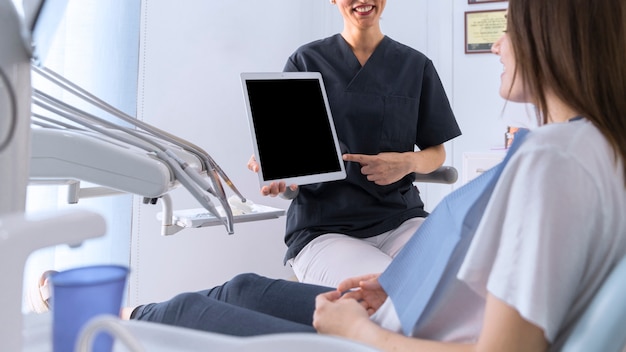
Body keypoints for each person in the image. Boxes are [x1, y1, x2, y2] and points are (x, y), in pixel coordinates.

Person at [127, 0, 626, 349]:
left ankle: (110, 317)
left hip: (396, 326)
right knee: (241, 289)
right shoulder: (586, 147)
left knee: (195, 319)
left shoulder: (551, 161)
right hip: (350, 248)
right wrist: (398, 287)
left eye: (510, 27)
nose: (497, 45)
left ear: (551, 40)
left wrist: (365, 332)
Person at [247, 0, 462, 287]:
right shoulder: (306, 61)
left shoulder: (415, 65)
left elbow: (436, 152)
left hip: (401, 219)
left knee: (454, 282)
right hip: (325, 227)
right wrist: (279, 167)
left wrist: (406, 162)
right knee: (390, 290)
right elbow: (290, 148)